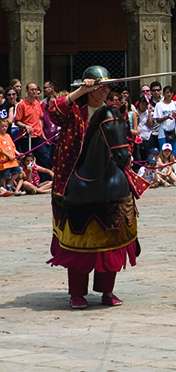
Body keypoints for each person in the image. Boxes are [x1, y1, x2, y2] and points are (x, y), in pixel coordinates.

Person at [46, 67, 147, 309]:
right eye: (100, 87)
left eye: (107, 87)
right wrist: (81, 89)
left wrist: (126, 153)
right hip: (74, 169)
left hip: (110, 168)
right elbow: (53, 111)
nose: (104, 91)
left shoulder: (111, 111)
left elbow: (123, 138)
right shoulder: (74, 112)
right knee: (79, 244)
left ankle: (107, 290)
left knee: (112, 237)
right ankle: (77, 293)